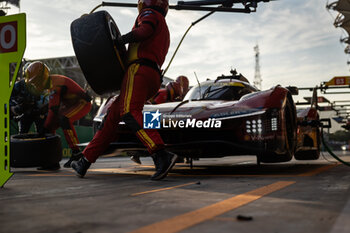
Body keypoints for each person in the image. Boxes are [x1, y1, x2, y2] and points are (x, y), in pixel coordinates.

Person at [71, 0, 178, 180]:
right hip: (150, 75)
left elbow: (145, 31)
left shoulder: (149, 14)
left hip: (138, 70)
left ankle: (161, 154)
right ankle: (85, 161)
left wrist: (120, 40)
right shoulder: (164, 27)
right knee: (112, 117)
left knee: (129, 112)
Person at [24, 61, 92, 169]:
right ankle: (52, 160)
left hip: (82, 103)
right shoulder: (51, 84)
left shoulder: (55, 84)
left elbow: (53, 110)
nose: (35, 84)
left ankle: (76, 153)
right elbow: (52, 107)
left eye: (36, 81)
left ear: (42, 77)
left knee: (64, 119)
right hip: (69, 105)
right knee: (50, 128)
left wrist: (44, 128)